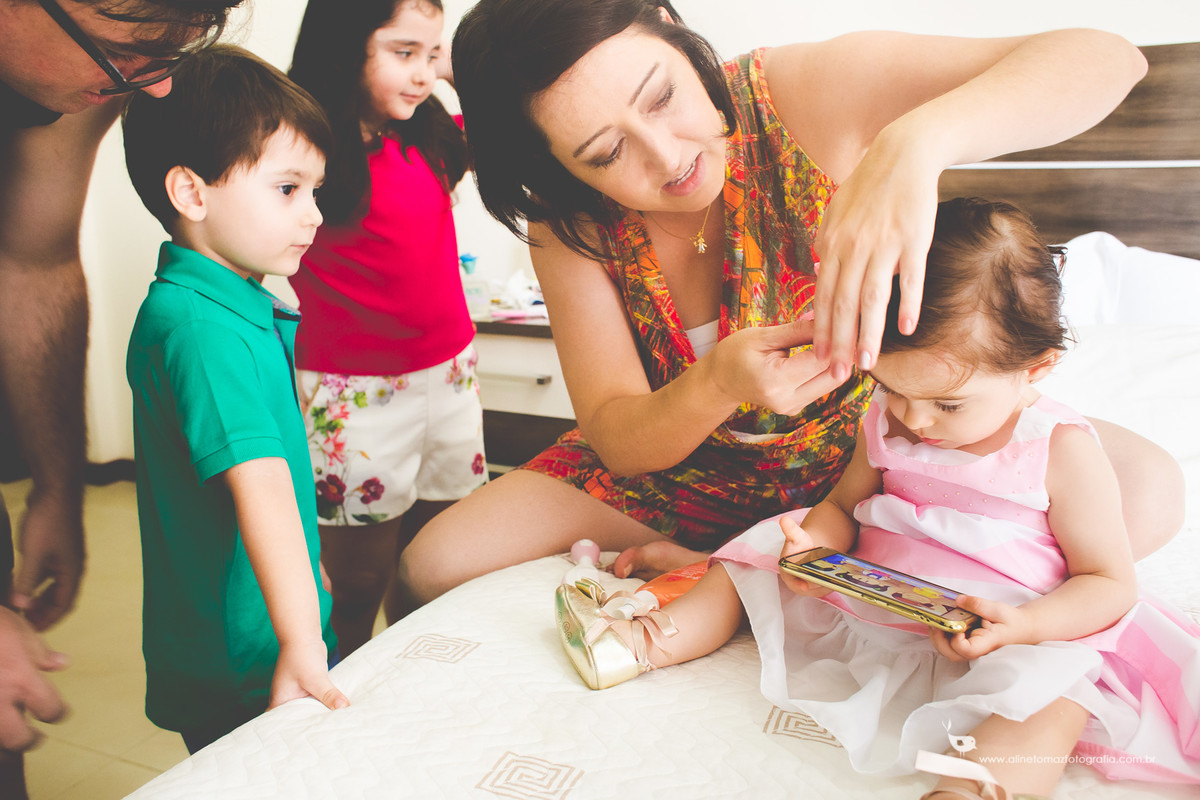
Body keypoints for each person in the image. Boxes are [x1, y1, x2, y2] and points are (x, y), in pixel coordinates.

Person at [395, 0, 1182, 609]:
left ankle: (755, 565)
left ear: (672, 30)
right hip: (682, 475)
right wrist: (715, 385)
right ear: (559, 166)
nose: (667, 157)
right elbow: (620, 439)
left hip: (865, 458)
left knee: (1147, 493)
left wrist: (915, 145)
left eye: (663, 97)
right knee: (434, 564)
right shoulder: (568, 225)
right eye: (606, 153)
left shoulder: (796, 93)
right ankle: (760, 561)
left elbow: (1106, 60)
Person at [556, 197, 1200, 798]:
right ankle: (647, 640)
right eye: (892, 388)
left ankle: (967, 785)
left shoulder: (1059, 448)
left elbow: (1109, 583)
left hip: (999, 627)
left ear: (1035, 368)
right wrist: (816, 550)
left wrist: (1027, 626)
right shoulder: (885, 418)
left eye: (948, 403)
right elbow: (840, 508)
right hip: (876, 595)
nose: (915, 421)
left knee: (1052, 696)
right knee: (759, 548)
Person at [1, 0, 240, 792]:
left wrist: (56, 489)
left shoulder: (96, 82)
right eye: (132, 50)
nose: (161, 90)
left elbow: (33, 261)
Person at [122, 44, 349, 753]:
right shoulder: (198, 327)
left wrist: (309, 580)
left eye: (315, 190)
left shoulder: (233, 304)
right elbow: (260, 484)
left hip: (275, 628)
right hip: (247, 661)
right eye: (288, 189)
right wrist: (301, 639)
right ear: (192, 193)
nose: (313, 215)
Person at [287, 0, 485, 654]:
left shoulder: (428, 133)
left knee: (438, 569)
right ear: (347, 49)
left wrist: (450, 67)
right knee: (357, 582)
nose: (422, 74)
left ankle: (414, 686)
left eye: (432, 55)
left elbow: (506, 135)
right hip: (353, 394)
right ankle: (342, 700)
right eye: (404, 53)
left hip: (450, 380)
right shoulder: (305, 147)